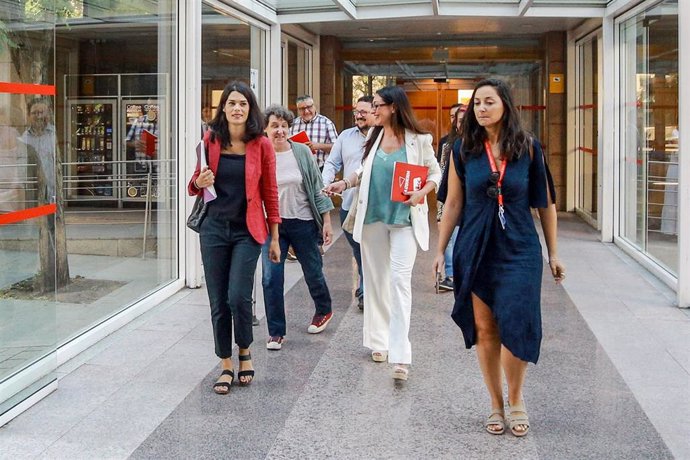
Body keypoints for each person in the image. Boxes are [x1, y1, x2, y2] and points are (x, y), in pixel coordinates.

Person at [432, 78, 565, 437]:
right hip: (476, 246)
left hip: (520, 248)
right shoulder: (464, 150)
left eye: (488, 102)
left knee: (516, 324)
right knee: (486, 328)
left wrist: (553, 253)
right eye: (477, 104)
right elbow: (454, 203)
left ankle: (516, 397)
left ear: (505, 104)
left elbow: (545, 203)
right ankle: (495, 403)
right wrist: (440, 249)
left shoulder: (529, 148)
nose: (481, 109)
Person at [323, 86, 441, 381]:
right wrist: (344, 184)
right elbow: (363, 171)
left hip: (404, 220)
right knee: (375, 281)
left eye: (377, 106)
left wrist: (422, 192)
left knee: (399, 281)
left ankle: (400, 355)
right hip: (373, 218)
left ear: (394, 108)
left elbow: (435, 173)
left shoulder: (419, 140)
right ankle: (379, 341)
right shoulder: (373, 137)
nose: (372, 110)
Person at [187, 81, 281, 395]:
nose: (237, 108)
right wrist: (199, 181)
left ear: (249, 108)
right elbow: (195, 184)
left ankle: (244, 348)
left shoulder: (261, 143)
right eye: (231, 103)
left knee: (238, 296)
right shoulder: (211, 139)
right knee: (217, 300)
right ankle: (225, 362)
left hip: (248, 230)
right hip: (213, 229)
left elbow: (270, 191)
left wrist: (276, 236)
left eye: (242, 103)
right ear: (223, 108)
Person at [261, 104, 335, 351]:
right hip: (272, 226)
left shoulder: (301, 152)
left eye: (284, 126)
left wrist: (326, 221)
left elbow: (316, 187)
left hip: (302, 221)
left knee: (313, 270)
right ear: (265, 129)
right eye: (274, 126)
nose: (280, 131)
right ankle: (276, 332)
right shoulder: (260, 153)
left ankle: (324, 309)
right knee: (271, 278)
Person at [322, 95, 375, 310]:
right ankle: (367, 287)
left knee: (370, 250)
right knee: (359, 250)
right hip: (349, 205)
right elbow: (332, 163)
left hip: (374, 205)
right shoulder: (345, 136)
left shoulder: (383, 137)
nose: (358, 115)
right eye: (356, 111)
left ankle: (366, 291)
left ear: (375, 112)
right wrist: (325, 185)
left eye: (363, 112)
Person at [435, 104, 466, 292]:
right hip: (448, 194)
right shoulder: (447, 142)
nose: (456, 121)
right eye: (454, 117)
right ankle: (451, 273)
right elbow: (442, 168)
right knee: (448, 230)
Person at [290, 95, 338, 170]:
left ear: (314, 107)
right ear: (298, 110)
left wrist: (319, 146)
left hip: (321, 169)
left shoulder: (326, 123)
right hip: (299, 170)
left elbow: (337, 148)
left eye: (309, 107)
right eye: (302, 109)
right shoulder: (292, 125)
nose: (306, 111)